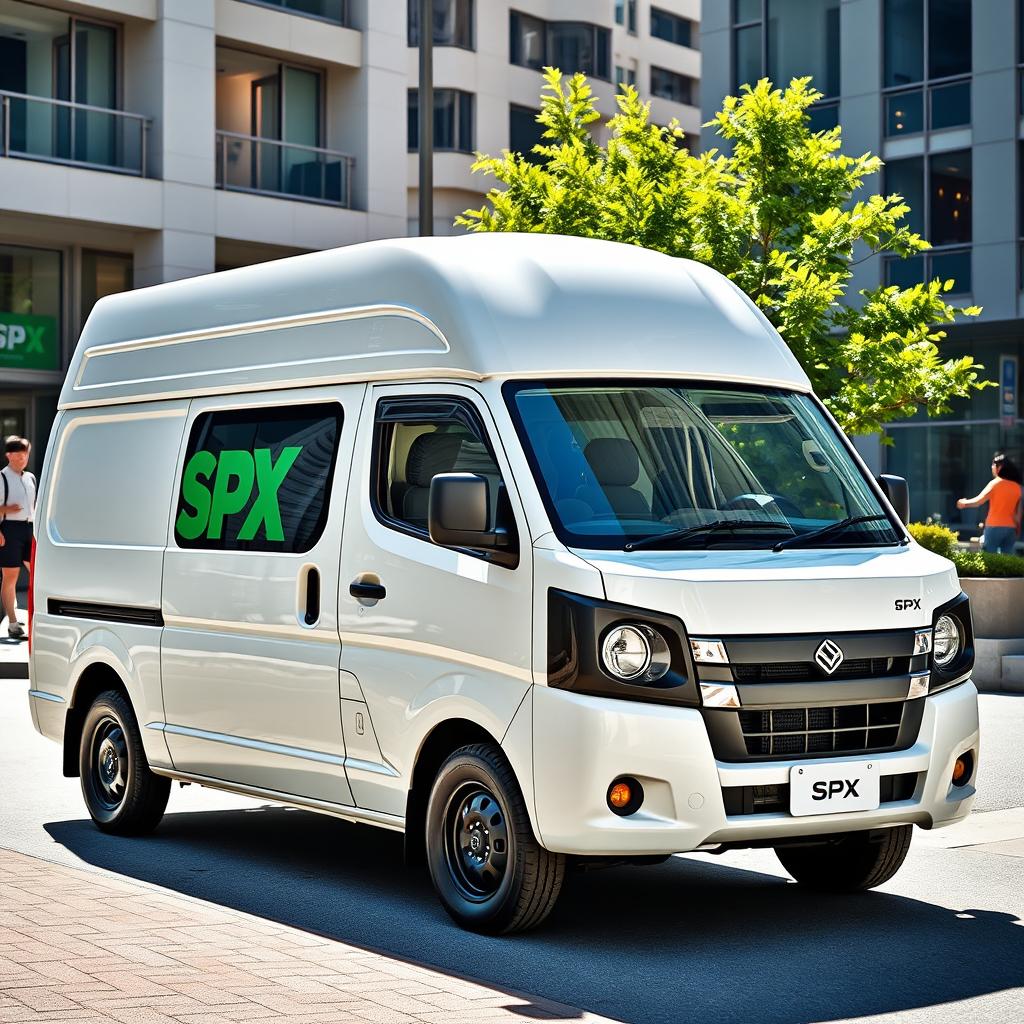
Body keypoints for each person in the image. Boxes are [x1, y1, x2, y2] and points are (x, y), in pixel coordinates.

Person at [0, 436, 36, 639]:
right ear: (9, 455)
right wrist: (7, 509)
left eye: (26, 454)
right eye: (19, 454)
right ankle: (13, 623)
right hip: (8, 530)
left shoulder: (30, 478)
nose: (23, 458)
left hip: (28, 529)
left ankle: (35, 618)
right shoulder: (2, 477)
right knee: (10, 576)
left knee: (36, 572)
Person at [956, 452, 1023, 556]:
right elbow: (1018, 515)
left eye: (993, 465)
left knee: (988, 558)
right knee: (1008, 560)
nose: (992, 467)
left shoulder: (995, 483)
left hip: (994, 527)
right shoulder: (1017, 487)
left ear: (999, 467)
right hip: (1011, 529)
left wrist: (964, 503)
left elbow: (979, 501)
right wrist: (1017, 529)